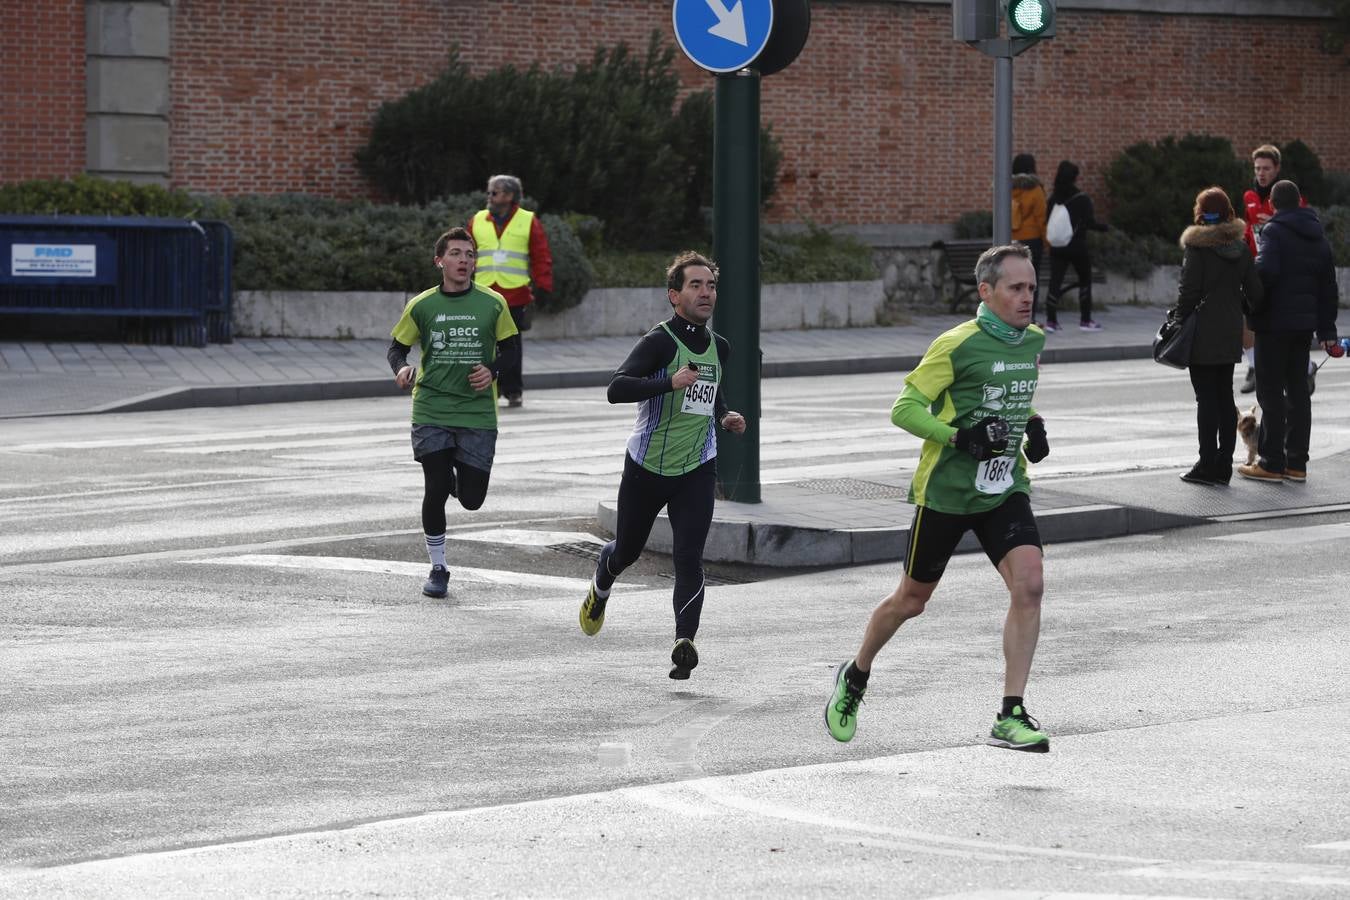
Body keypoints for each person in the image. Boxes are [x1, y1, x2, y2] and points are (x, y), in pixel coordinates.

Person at [824, 244, 1053, 752]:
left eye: (1032, 288)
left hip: (1003, 486)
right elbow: (904, 409)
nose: (1027, 298)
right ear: (986, 292)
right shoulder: (956, 344)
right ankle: (855, 675)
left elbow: (1014, 392)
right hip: (946, 492)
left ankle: (1010, 713)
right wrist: (960, 437)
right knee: (911, 600)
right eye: (1016, 288)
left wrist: (1032, 425)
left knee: (1030, 584)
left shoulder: (1031, 340)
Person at [578, 251, 746, 679]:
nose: (706, 292)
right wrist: (667, 382)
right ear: (674, 295)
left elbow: (710, 393)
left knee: (689, 557)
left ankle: (684, 641)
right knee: (627, 551)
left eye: (710, 285)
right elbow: (616, 388)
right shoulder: (659, 341)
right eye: (695, 285)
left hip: (696, 467)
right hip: (646, 468)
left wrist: (724, 416)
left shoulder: (718, 347)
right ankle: (602, 581)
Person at [388, 227, 520, 598]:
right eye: (457, 254)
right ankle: (439, 567)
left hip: (477, 412)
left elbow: (511, 350)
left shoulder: (493, 303)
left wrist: (492, 370)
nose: (465, 260)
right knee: (435, 484)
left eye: (470, 255)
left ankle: (455, 477)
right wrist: (400, 368)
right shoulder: (422, 305)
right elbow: (397, 348)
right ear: (440, 261)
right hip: (432, 405)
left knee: (473, 499)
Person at [1240, 180, 1339, 484]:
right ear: (1299, 203)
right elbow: (1328, 288)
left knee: (1269, 393)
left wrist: (1249, 303)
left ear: (1273, 203)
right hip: (1303, 328)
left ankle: (1270, 463)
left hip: (1274, 325)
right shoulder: (1318, 237)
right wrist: (1327, 330)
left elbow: (1265, 271)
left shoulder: (1274, 231)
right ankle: (1296, 463)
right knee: (1298, 392)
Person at [1170, 187, 1264, 486]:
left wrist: (1177, 320)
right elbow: (1256, 293)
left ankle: (1206, 462)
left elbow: (1188, 294)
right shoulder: (1241, 248)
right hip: (1228, 333)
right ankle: (1224, 464)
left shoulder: (1197, 248)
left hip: (1201, 334)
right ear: (1229, 213)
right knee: (1225, 398)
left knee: (1205, 400)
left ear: (1200, 213)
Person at [468, 174, 553, 409]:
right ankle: (489, 388)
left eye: (493, 193)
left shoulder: (527, 220)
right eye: (489, 192)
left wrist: (543, 286)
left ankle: (513, 390)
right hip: (483, 292)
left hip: (515, 294)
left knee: (511, 345)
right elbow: (466, 252)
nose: (489, 197)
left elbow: (541, 255)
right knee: (484, 343)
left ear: (509, 196)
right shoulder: (477, 219)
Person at [1239, 145, 1314, 396]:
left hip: (1282, 270)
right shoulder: (1249, 196)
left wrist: (1273, 223)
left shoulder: (1290, 197)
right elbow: (1249, 229)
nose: (1261, 173)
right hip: (1256, 266)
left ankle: (1306, 367)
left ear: (1277, 169)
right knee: (1244, 316)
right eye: (1257, 168)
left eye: (1266, 168)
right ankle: (1253, 366)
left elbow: (1301, 228)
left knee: (1280, 330)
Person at [1043, 160, 1108, 333]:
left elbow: (1046, 221)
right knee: (1085, 280)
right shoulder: (1081, 198)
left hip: (1057, 246)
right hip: (1077, 246)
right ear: (1075, 178)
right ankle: (1085, 320)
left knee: (1055, 281)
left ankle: (1051, 321)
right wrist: (1105, 228)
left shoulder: (1052, 199)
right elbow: (1089, 223)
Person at [1011, 153, 1048, 324]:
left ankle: (1011, 316)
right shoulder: (1035, 189)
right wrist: (1047, 242)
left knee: (1012, 281)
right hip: (1032, 240)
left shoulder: (1006, 187)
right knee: (1031, 281)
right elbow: (1042, 218)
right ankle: (1029, 319)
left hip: (1011, 239)